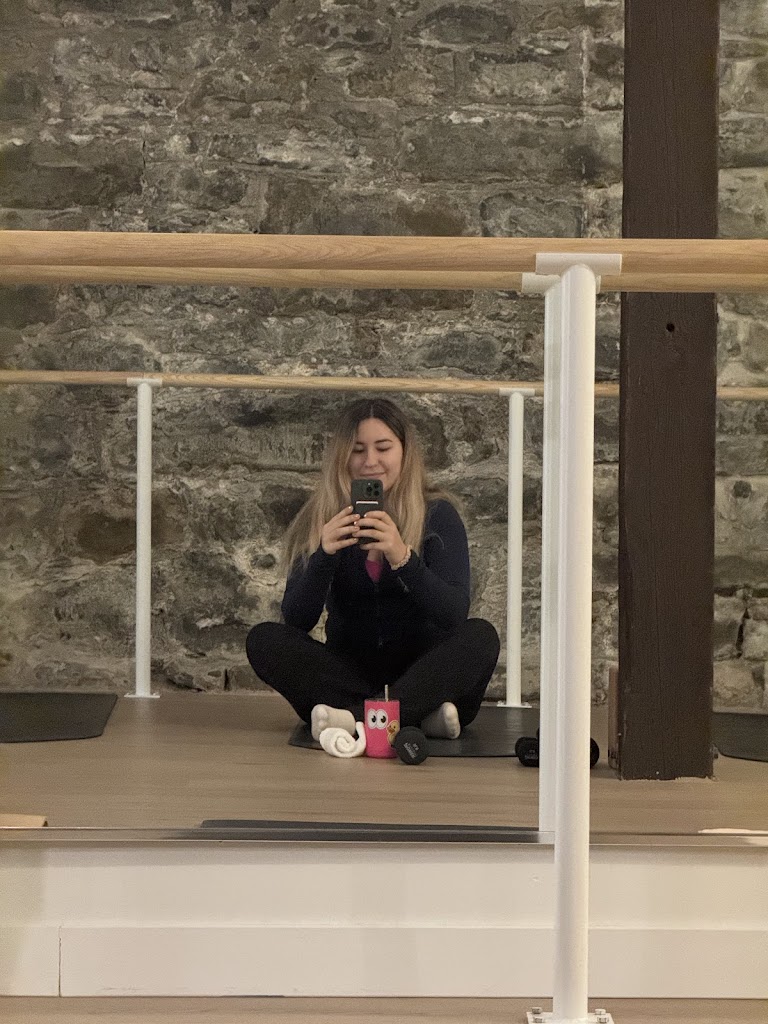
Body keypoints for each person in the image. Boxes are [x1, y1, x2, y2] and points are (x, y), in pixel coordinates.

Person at [246, 397, 500, 742]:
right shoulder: (321, 516)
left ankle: (356, 718)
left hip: (424, 672)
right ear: (341, 456)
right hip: (351, 673)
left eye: (383, 448)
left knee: (481, 636)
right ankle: (413, 717)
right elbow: (297, 620)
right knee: (263, 639)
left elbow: (454, 614)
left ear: (404, 452)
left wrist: (403, 558)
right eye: (357, 450)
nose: (370, 462)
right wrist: (324, 556)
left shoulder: (437, 514)